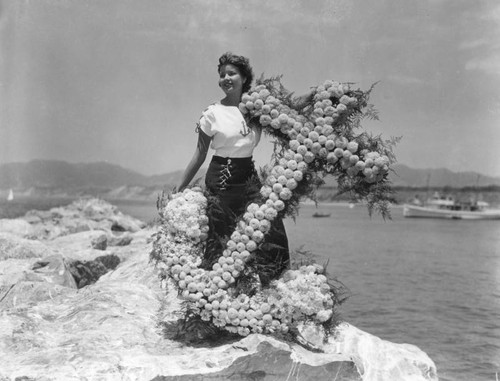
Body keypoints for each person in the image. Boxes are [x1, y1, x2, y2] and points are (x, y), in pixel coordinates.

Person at [177, 52, 289, 285]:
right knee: (221, 241)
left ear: (244, 77)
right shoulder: (212, 114)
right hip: (222, 180)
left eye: (232, 73)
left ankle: (271, 289)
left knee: (271, 230)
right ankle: (215, 296)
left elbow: (291, 112)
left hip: (248, 177)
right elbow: (199, 154)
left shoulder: (257, 109)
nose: (226, 78)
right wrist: (179, 189)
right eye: (221, 75)